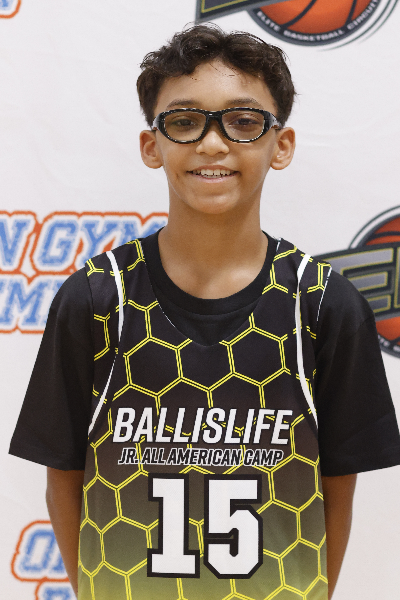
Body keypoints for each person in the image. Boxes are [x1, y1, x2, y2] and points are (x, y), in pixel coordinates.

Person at [9, 24, 400, 600]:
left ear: (281, 145)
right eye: (185, 120)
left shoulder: (324, 304)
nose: (213, 144)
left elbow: (337, 490)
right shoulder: (96, 298)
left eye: (242, 121)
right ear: (152, 145)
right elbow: (62, 480)